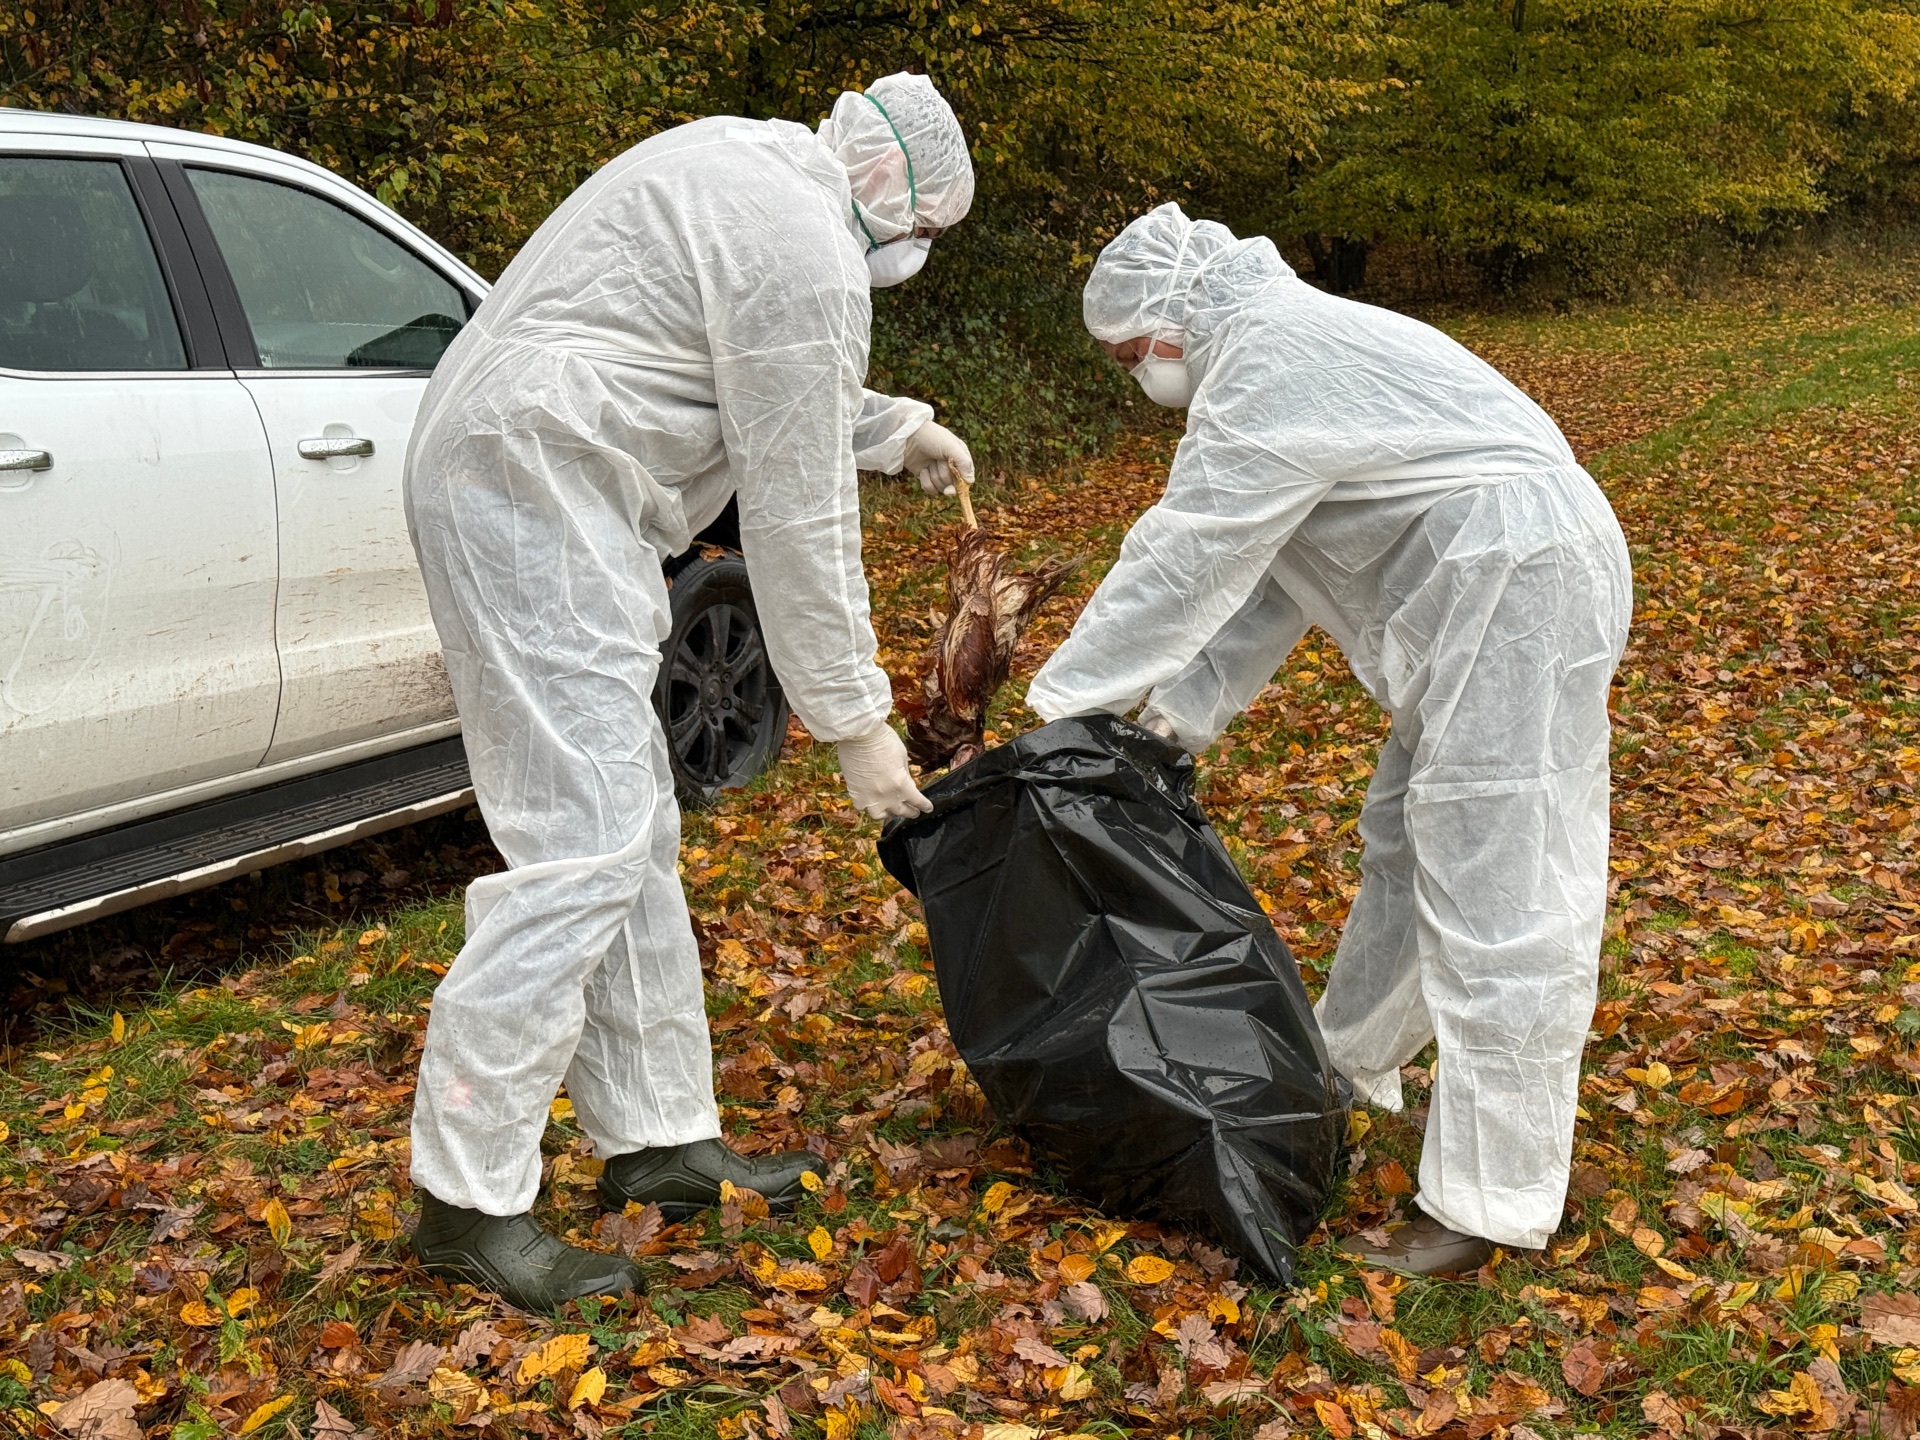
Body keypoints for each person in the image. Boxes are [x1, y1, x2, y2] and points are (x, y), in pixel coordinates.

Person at [402, 73, 973, 1310]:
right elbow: (795, 507)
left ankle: (660, 1136)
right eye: (927, 234)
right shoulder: (806, 245)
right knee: (583, 844)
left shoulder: (747, 163)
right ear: (899, 197)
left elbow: (740, 369)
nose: (915, 257)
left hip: (543, 470)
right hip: (533, 483)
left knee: (631, 825)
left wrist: (897, 428)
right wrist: (856, 721)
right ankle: (465, 1197)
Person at [1026, 203, 1631, 1275]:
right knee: (1406, 843)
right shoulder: (1280, 359)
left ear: (1170, 323)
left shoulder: (1268, 361)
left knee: (1503, 891)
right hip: (1497, 586)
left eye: (1129, 357)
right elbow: (1268, 579)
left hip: (1517, 583)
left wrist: (1061, 711)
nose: (1137, 378)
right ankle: (1347, 1064)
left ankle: (1489, 1206)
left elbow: (1185, 554)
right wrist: (1171, 721)